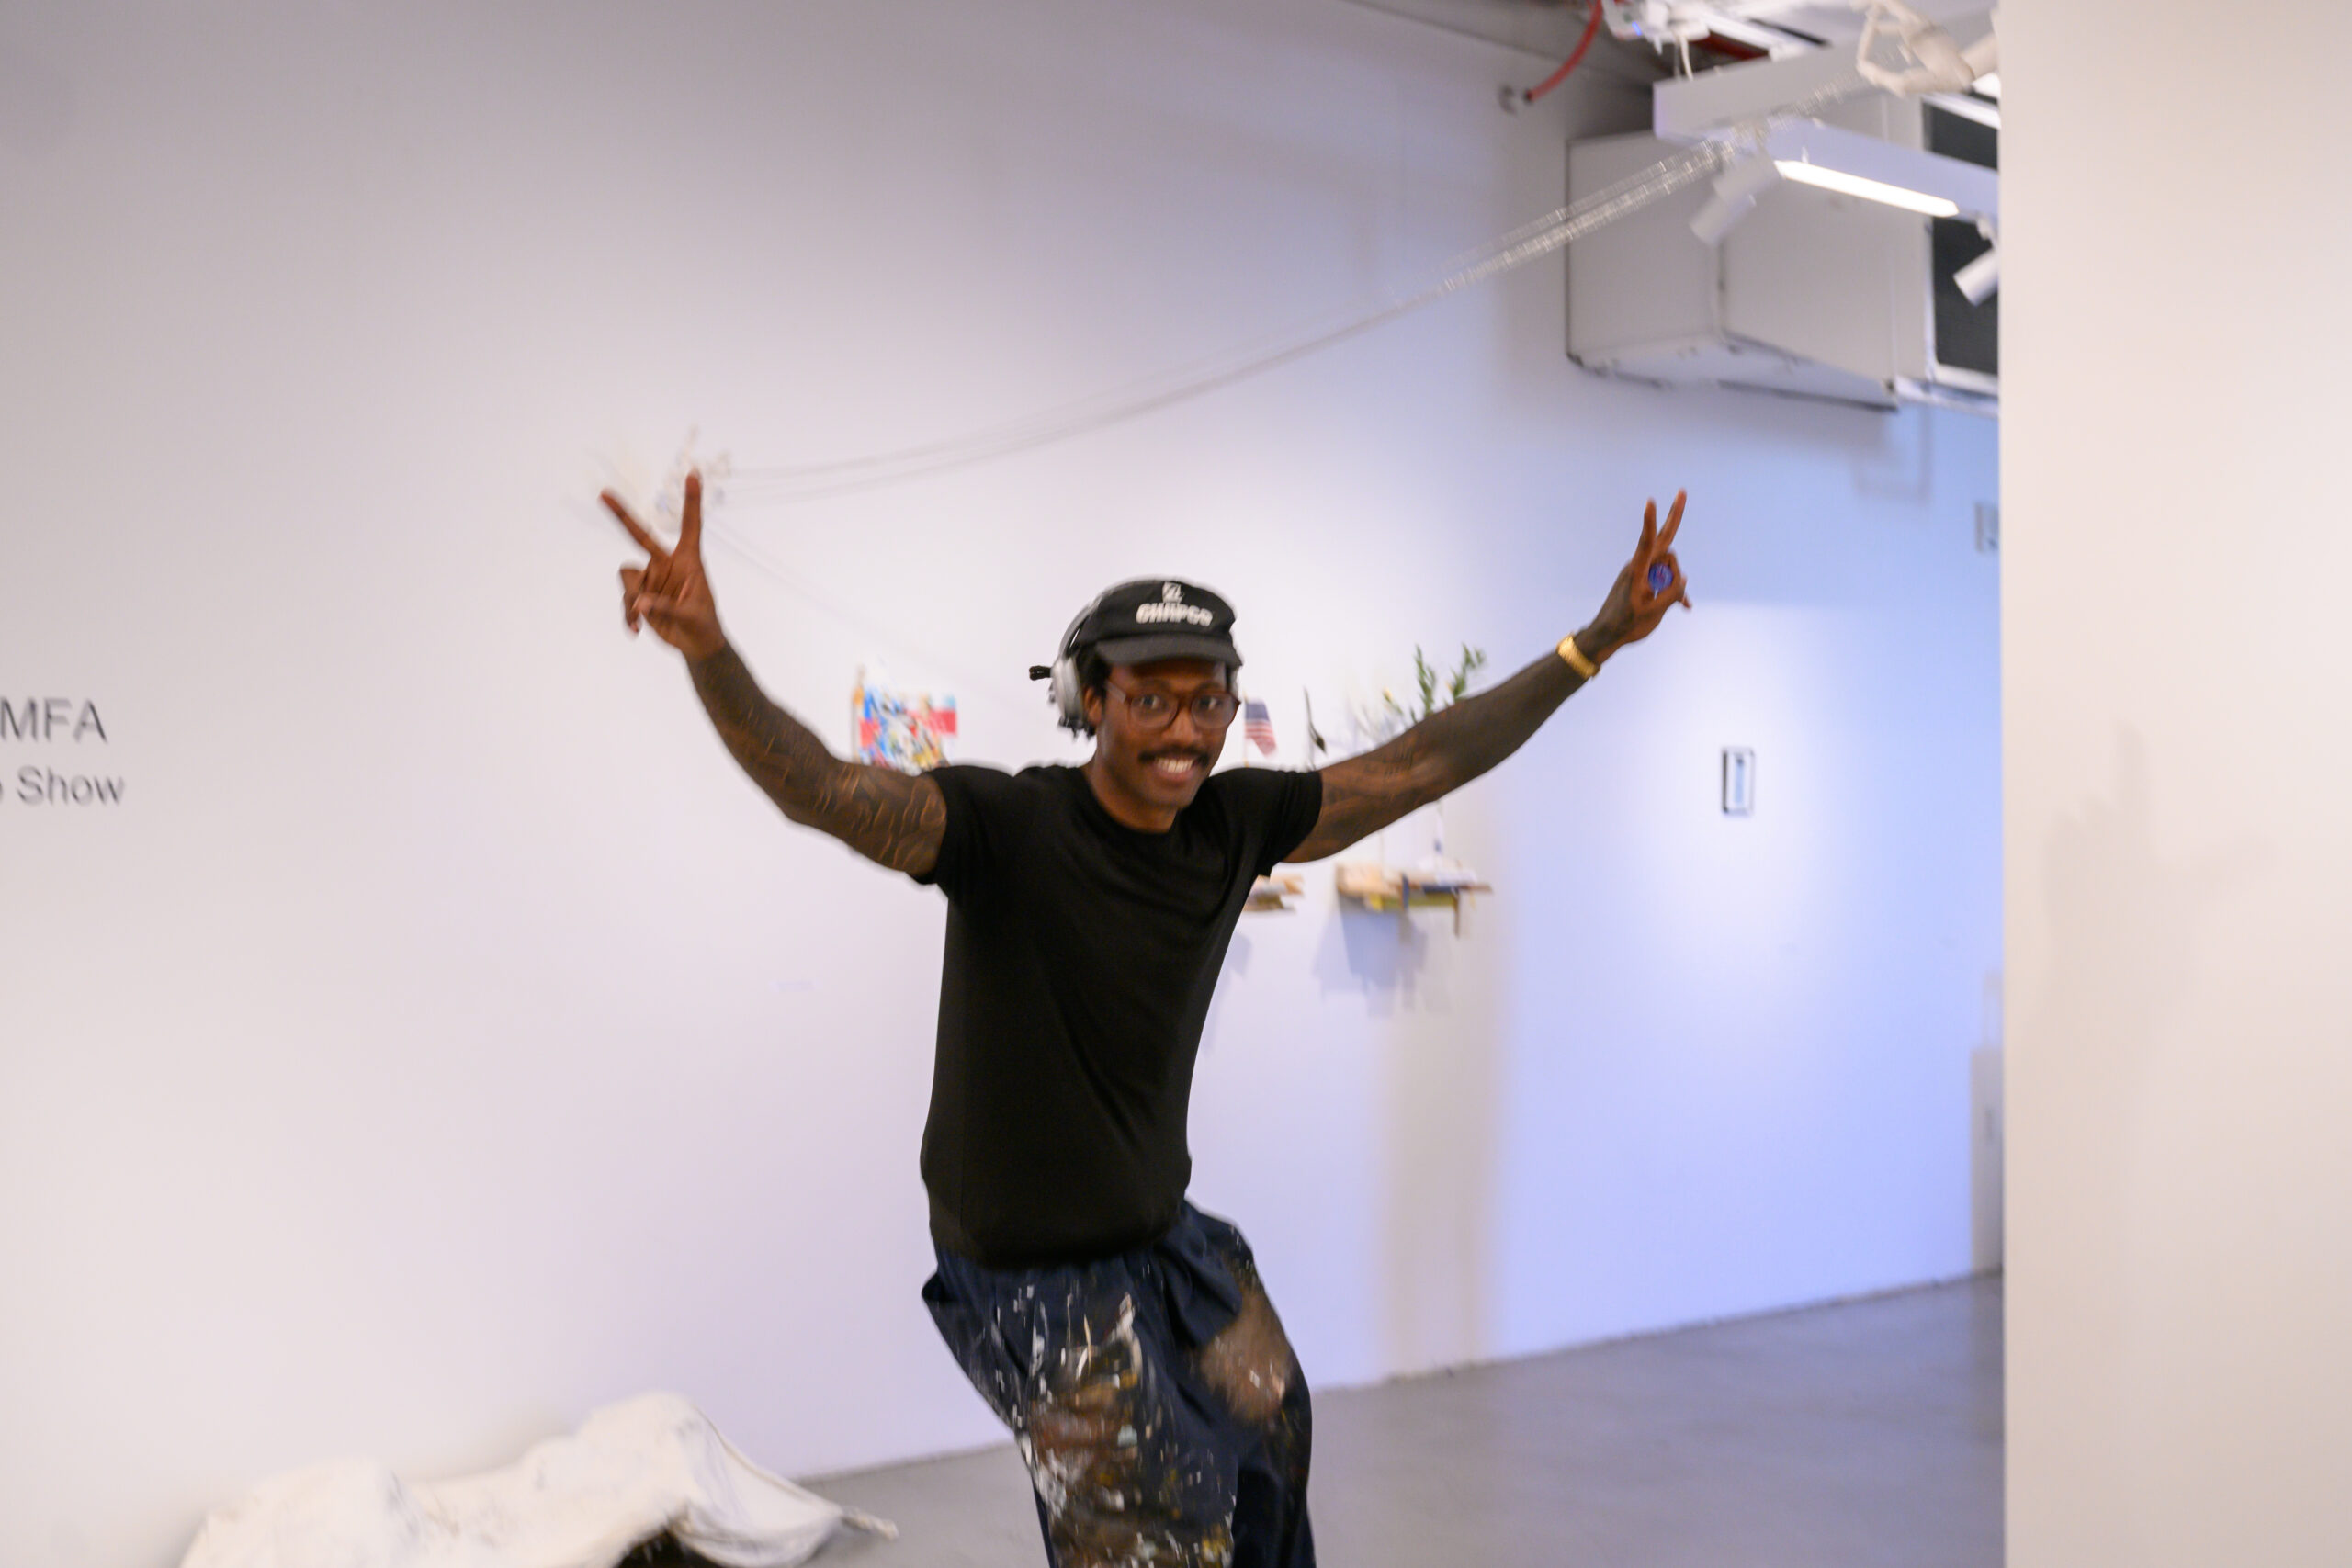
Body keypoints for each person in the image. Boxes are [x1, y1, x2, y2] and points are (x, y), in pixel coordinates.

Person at [604, 474, 1690, 1568]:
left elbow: (1417, 763)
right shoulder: (1005, 827)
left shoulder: (1236, 822)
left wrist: (1595, 641)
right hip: (1028, 1273)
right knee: (1151, 1527)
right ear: (1093, 700)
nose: (1184, 729)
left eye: (1207, 700)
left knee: (1270, 1433)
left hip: (1161, 1240)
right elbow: (823, 789)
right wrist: (709, 650)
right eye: (1150, 699)